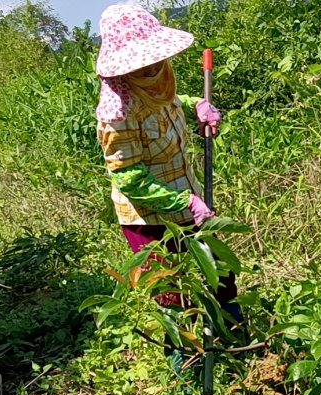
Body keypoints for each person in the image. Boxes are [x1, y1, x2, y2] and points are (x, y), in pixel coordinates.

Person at [94, 4, 244, 370]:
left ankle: (236, 343)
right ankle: (187, 367)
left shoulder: (160, 84)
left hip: (185, 196)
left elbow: (173, 103)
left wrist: (198, 107)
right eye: (142, 68)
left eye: (155, 63)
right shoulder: (118, 114)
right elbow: (128, 178)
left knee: (219, 272)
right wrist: (184, 202)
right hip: (148, 218)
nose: (152, 71)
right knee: (173, 292)